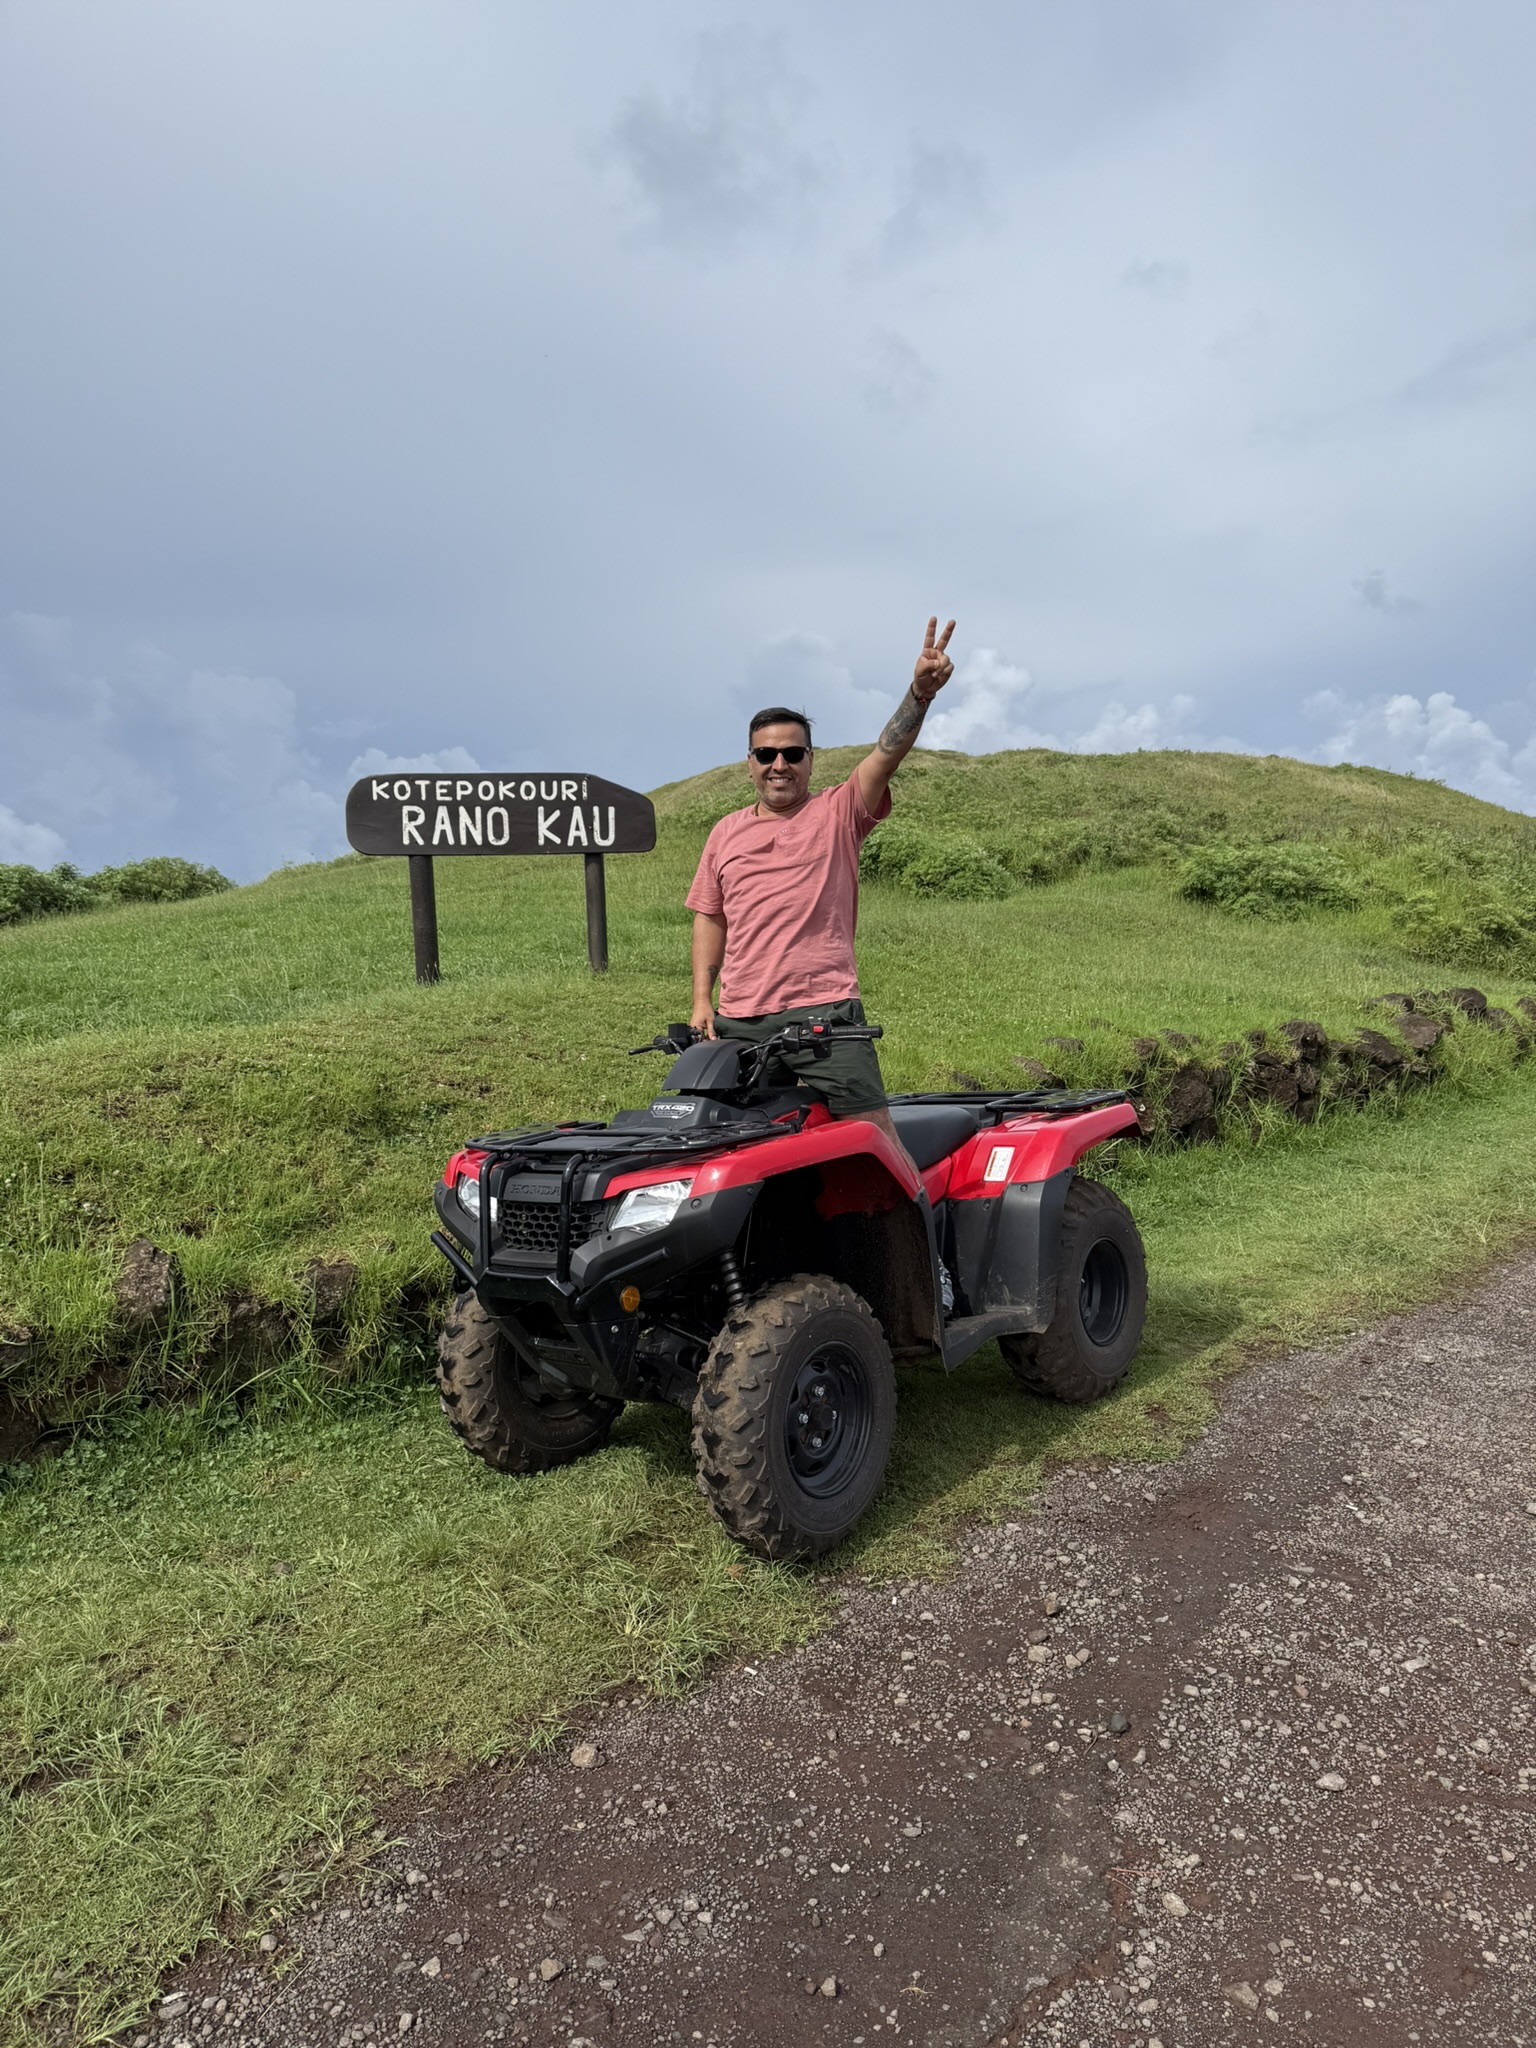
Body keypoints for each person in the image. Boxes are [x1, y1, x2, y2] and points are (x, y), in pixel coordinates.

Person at [685, 616, 956, 1170]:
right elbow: (710, 917)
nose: (779, 765)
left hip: (825, 1017)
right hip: (739, 1022)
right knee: (732, 1151)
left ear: (811, 758)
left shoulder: (838, 810)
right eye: (766, 755)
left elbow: (887, 753)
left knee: (874, 1139)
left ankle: (922, 1227)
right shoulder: (725, 833)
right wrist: (700, 1000)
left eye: (792, 753)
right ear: (749, 763)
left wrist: (919, 695)